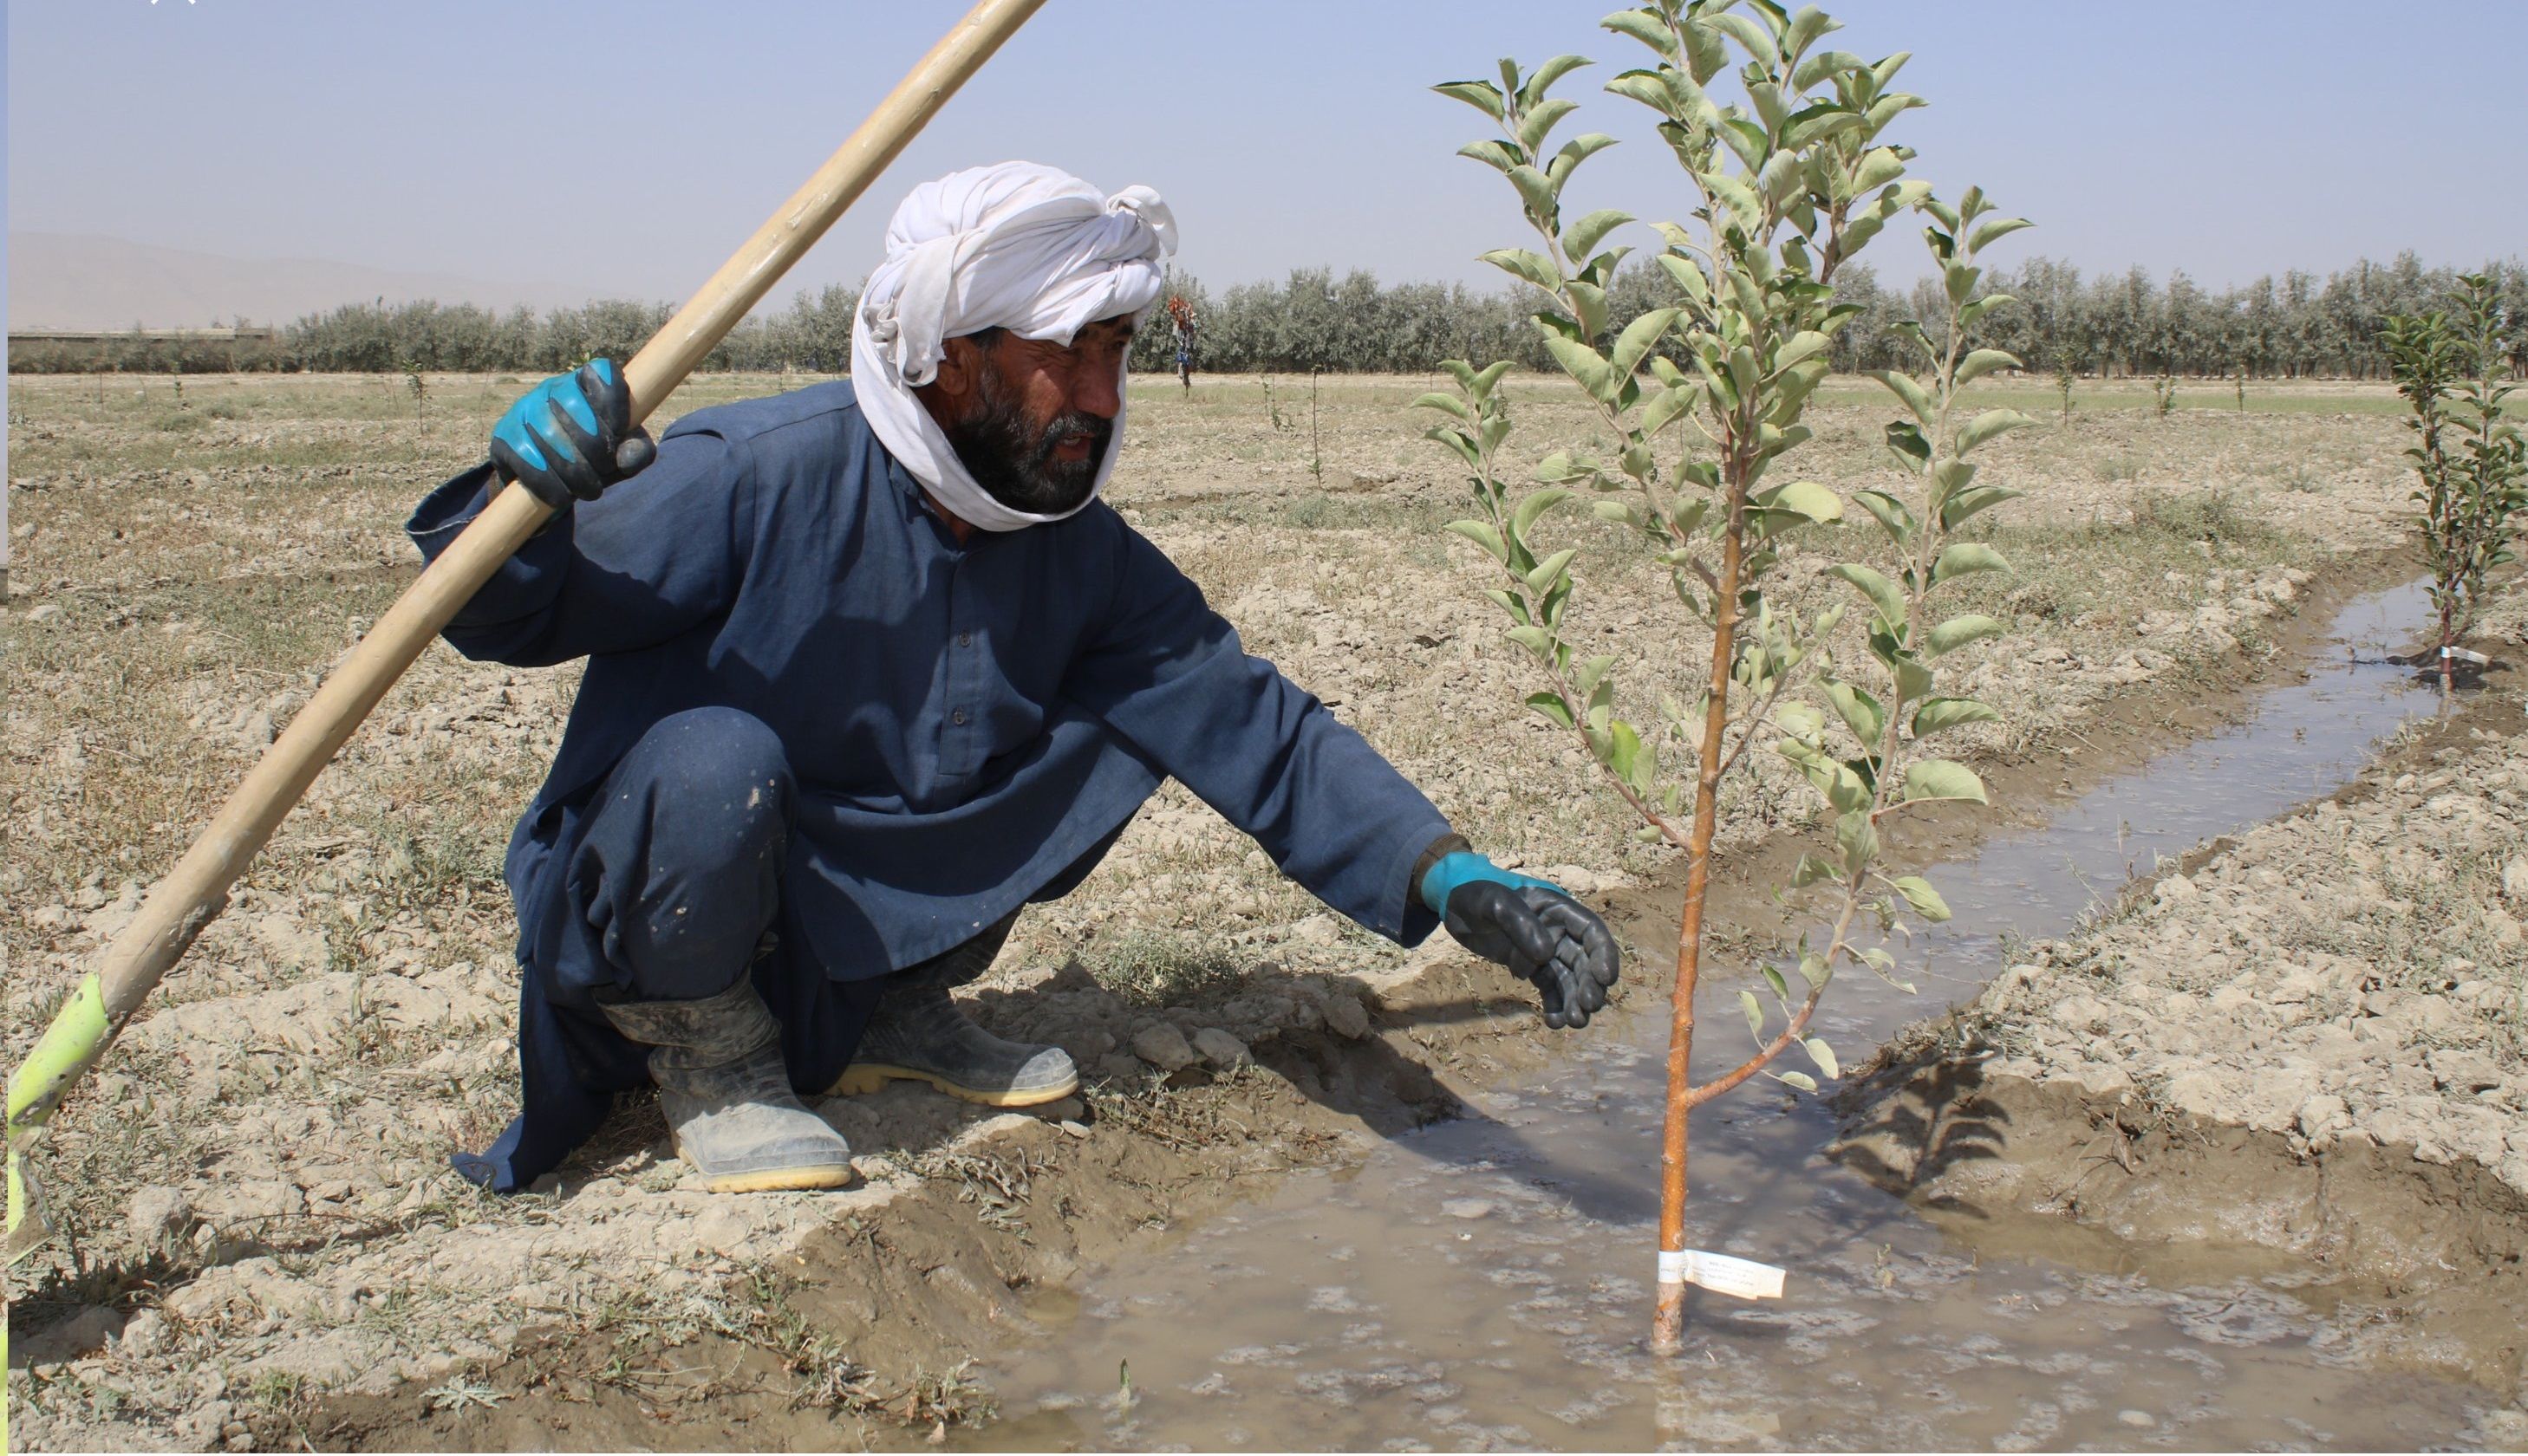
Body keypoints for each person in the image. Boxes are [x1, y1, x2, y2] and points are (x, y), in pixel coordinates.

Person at [408, 163, 1619, 1197]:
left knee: (1130, 727)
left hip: (843, 931)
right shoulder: (754, 474)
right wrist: (527, 505)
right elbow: (501, 611)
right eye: (1063, 354)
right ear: (947, 355)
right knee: (717, 761)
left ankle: (898, 1008)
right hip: (659, 926)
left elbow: (1255, 726)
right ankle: (710, 1056)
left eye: (1116, 349)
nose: (1100, 396)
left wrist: (1452, 877)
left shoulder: (1077, 547)